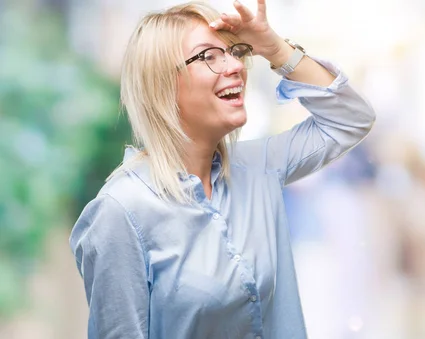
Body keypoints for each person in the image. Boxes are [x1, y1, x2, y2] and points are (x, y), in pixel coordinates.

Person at [68, 1, 376, 338]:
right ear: (163, 83)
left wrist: (273, 47)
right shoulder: (121, 211)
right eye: (208, 56)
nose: (235, 66)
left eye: (234, 52)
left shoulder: (259, 167)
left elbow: (350, 120)